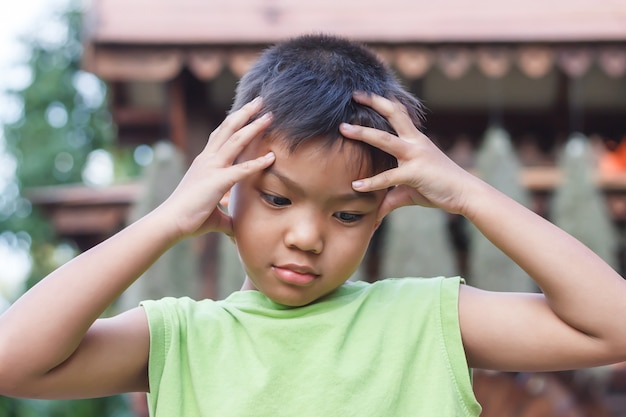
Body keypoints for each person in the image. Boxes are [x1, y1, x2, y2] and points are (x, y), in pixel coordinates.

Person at [0, 34, 625, 416]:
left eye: (347, 213)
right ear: (227, 186)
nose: (307, 236)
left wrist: (469, 194)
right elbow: (13, 361)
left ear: (384, 211)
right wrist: (164, 221)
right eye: (276, 200)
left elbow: (614, 327)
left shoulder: (427, 320)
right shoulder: (181, 337)